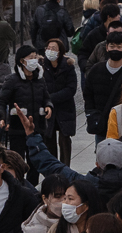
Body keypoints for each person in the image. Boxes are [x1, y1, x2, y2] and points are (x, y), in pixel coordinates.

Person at [44, 39, 81, 168]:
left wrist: (52, 97)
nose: (50, 51)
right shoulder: (42, 66)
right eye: (48, 48)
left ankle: (65, 168)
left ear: (60, 51)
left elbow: (71, 89)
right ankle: (53, 169)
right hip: (48, 109)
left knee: (65, 139)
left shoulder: (68, 66)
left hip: (65, 107)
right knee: (49, 140)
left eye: (53, 48)